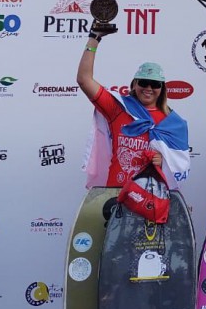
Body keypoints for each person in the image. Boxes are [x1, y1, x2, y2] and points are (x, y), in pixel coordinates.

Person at [77, 28, 189, 189]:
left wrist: (164, 162)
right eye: (143, 82)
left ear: (162, 88)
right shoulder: (118, 108)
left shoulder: (173, 123)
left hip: (152, 197)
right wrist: (94, 38)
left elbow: (181, 166)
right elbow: (84, 79)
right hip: (117, 193)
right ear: (134, 84)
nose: (148, 88)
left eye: (155, 84)